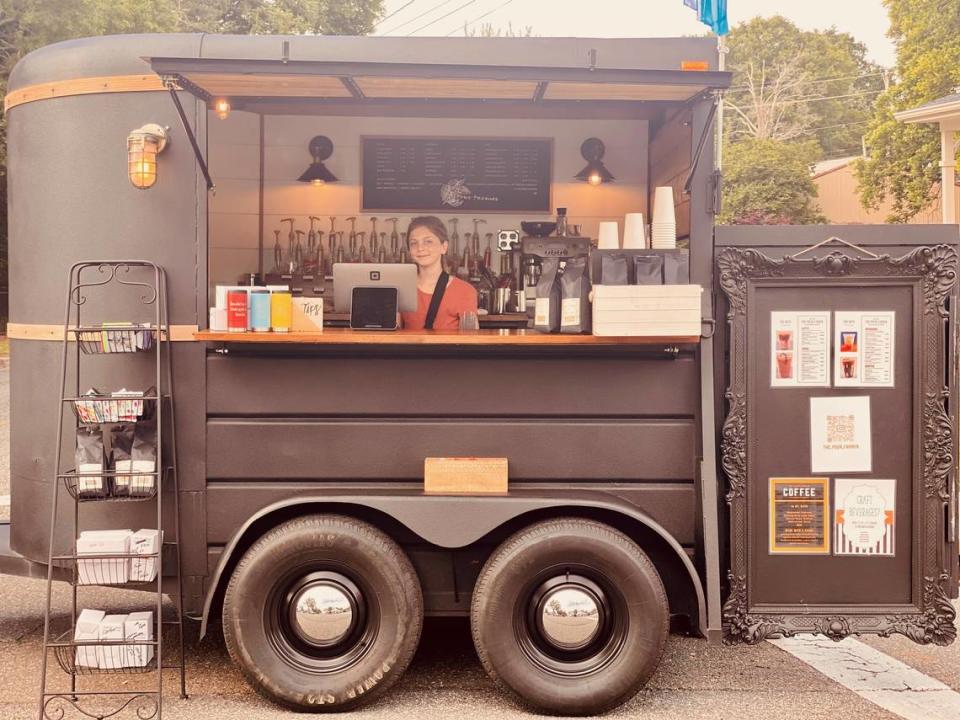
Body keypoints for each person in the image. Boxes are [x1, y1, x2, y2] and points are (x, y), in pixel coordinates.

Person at [401, 216, 478, 330]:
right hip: (407, 348)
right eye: (413, 243)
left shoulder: (464, 291)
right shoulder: (401, 288)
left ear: (444, 247)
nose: (420, 248)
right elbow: (393, 333)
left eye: (428, 241)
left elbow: (471, 340)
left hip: (449, 348)